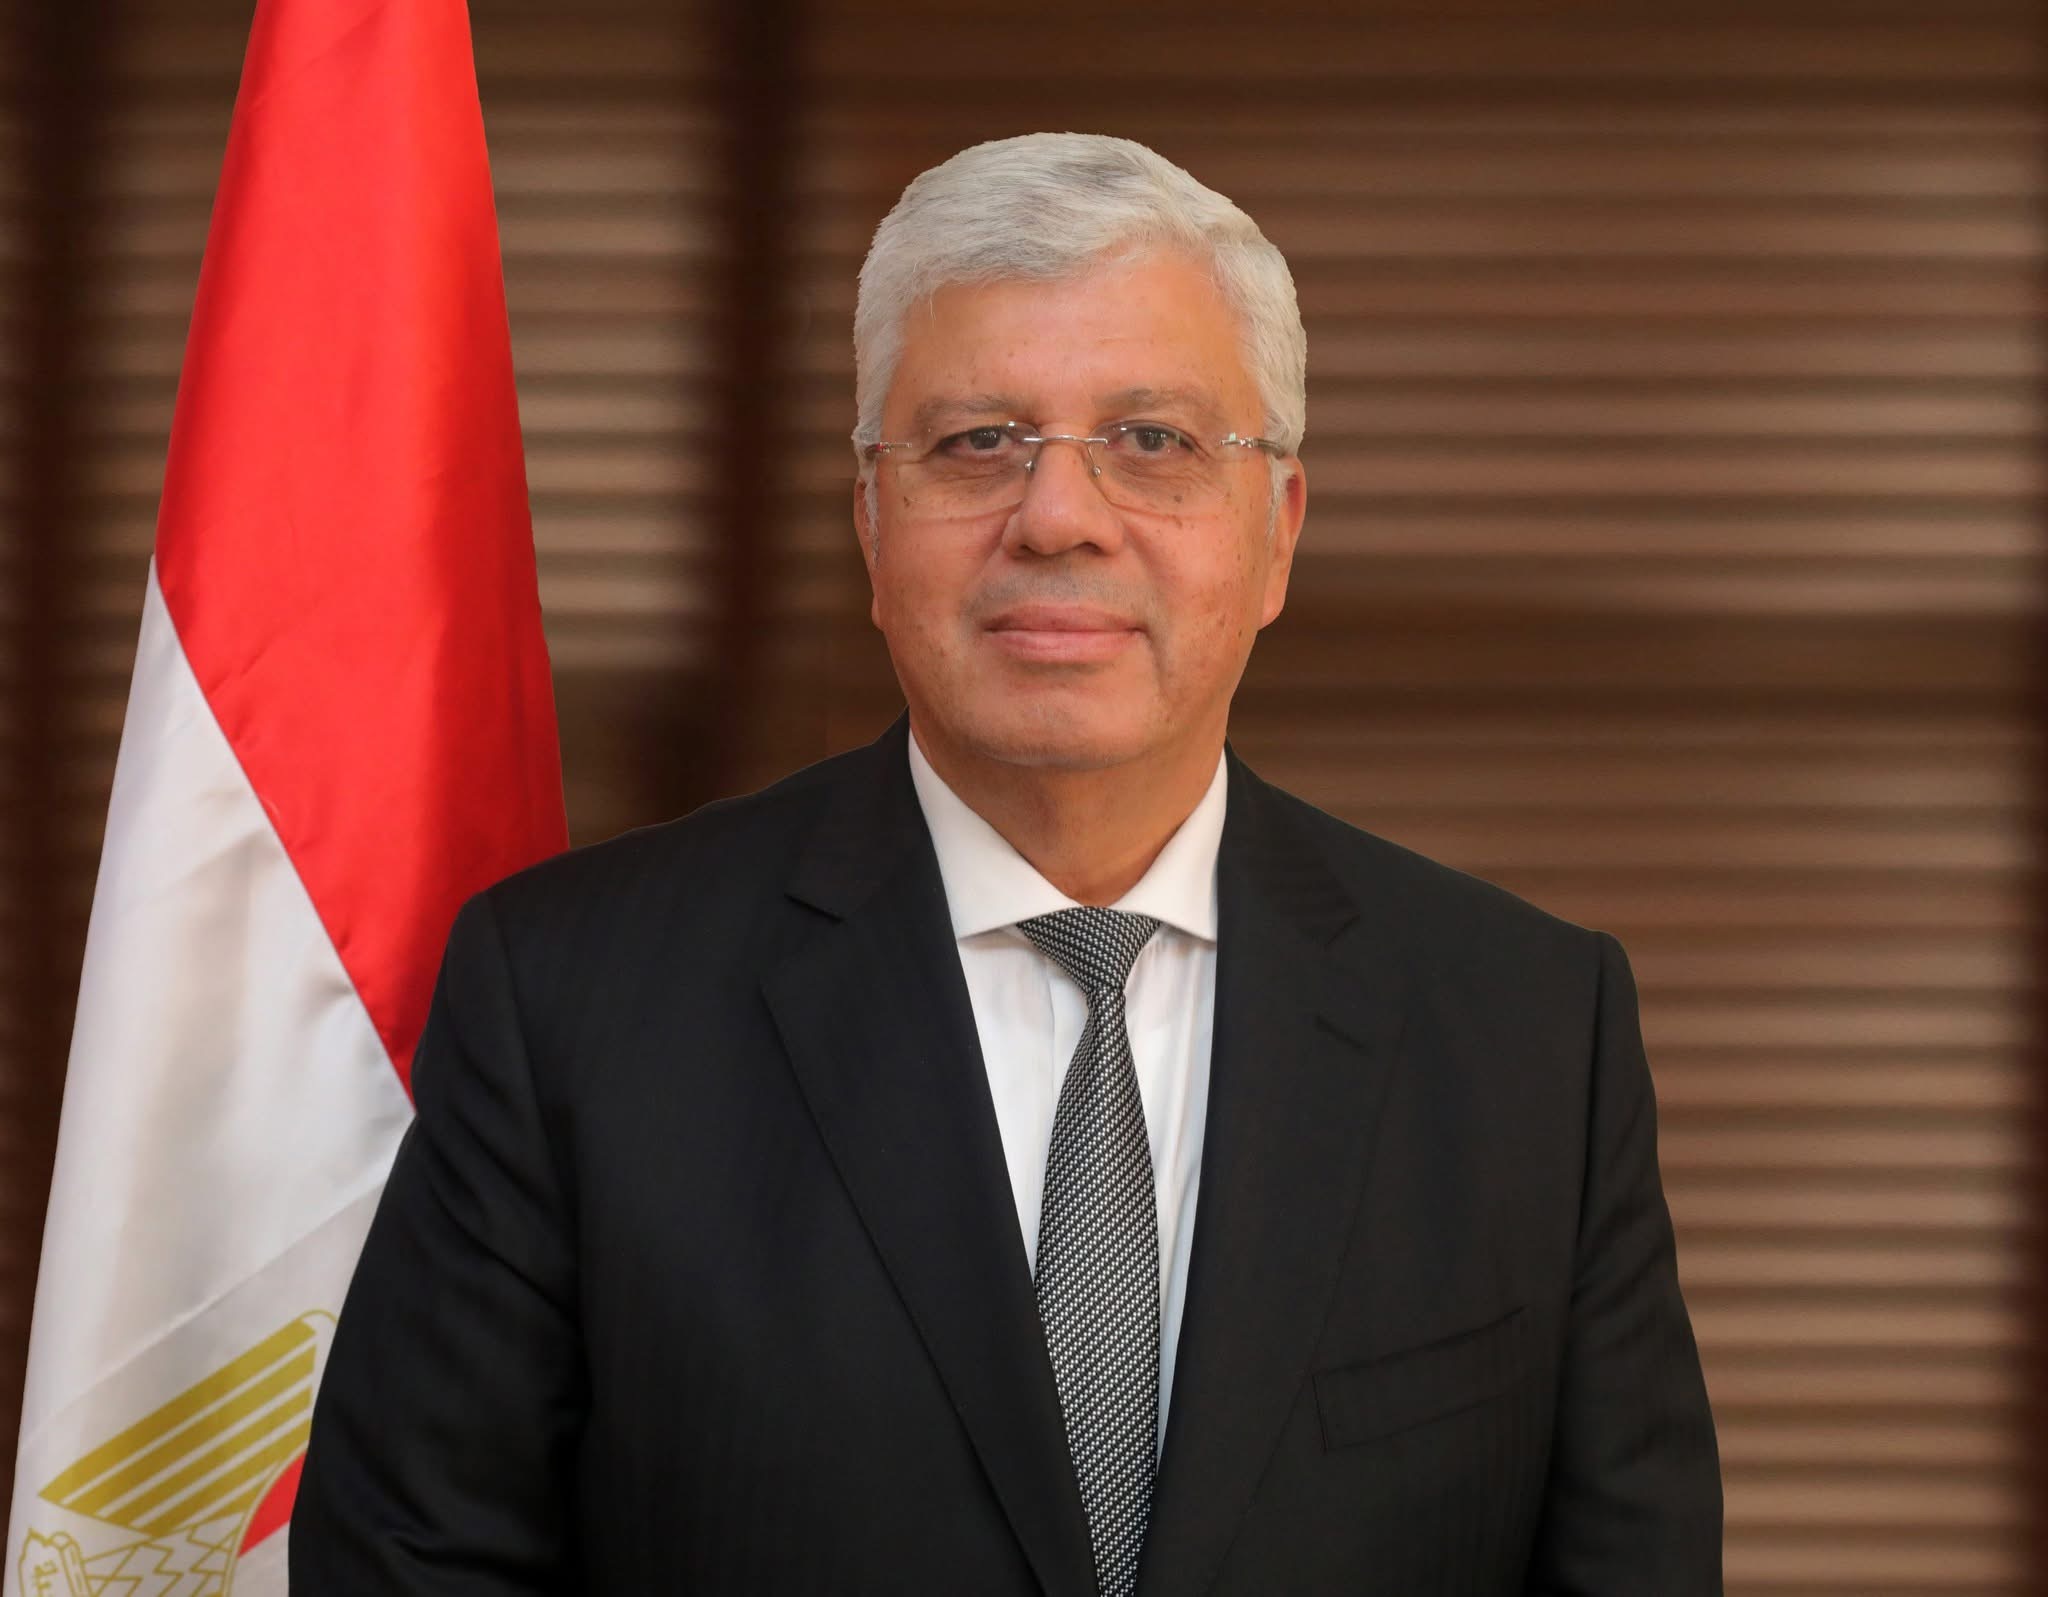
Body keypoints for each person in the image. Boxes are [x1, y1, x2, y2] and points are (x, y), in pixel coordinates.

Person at [292, 132, 1722, 1595]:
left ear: (1278, 531)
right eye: (979, 442)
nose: (1058, 518)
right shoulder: (572, 1001)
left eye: (1152, 441)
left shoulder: (1530, 1030)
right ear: (870, 520)